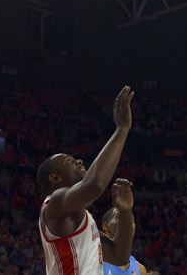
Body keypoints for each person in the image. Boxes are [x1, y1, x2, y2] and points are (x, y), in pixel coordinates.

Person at [37, 86, 134, 275]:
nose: (79, 161)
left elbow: (120, 256)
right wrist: (122, 129)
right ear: (54, 178)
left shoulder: (83, 218)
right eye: (69, 161)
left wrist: (125, 212)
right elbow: (94, 185)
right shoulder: (54, 204)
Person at [101, 178, 147, 275]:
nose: (128, 222)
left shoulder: (140, 269)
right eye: (120, 217)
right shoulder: (92, 258)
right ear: (106, 226)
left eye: (132, 219)